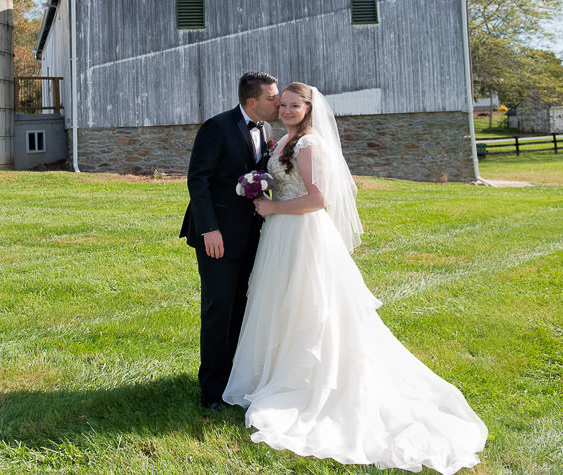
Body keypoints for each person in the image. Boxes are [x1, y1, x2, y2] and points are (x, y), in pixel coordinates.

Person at [222, 82, 487, 475]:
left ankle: (312, 377)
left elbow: (317, 199)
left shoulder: (311, 145)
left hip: (303, 235)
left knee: (309, 305)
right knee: (280, 301)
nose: (289, 110)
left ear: (310, 109)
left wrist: (272, 205)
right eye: (285, 105)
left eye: (297, 106)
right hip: (280, 235)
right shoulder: (284, 142)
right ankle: (276, 371)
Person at [181, 71, 280, 410]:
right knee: (218, 309)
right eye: (271, 97)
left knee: (241, 306)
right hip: (217, 236)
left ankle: (233, 380)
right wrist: (210, 229)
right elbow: (198, 181)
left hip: (250, 233)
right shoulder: (216, 127)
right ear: (251, 101)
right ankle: (211, 391)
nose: (277, 102)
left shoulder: (266, 129)